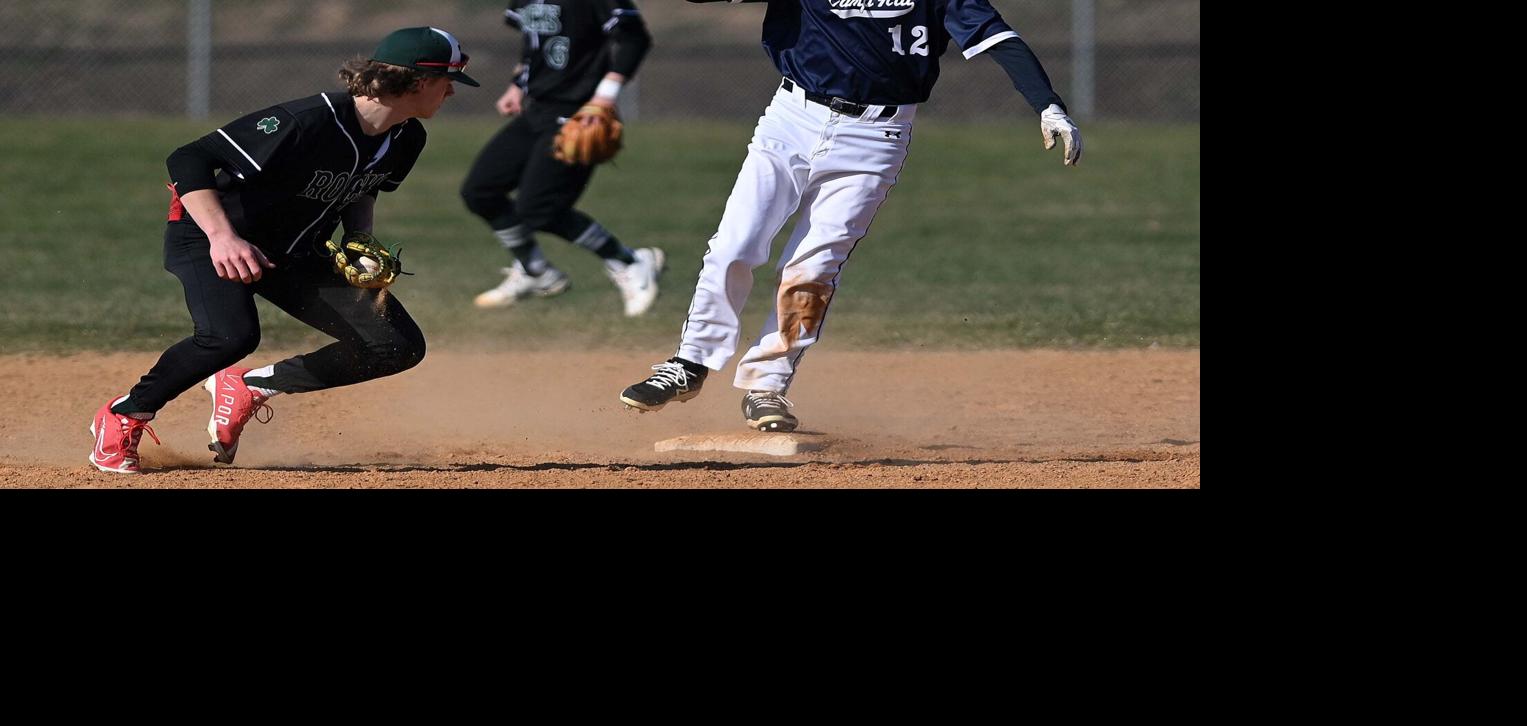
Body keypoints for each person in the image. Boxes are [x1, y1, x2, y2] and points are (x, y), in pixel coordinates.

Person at [620, 0, 1081, 433]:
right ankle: (690, 363)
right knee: (734, 245)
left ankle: (767, 385)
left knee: (813, 268)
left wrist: (1048, 103)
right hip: (790, 119)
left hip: (877, 136)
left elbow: (997, 37)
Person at [86, 26, 478, 474]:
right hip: (211, 236)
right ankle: (124, 414)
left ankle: (251, 388)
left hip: (295, 250)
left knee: (395, 344)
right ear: (415, 80)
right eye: (447, 80)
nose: (451, 91)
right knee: (229, 337)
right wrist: (223, 237)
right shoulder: (309, 120)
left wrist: (359, 239)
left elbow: (364, 189)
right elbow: (189, 158)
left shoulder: (407, 137)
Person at [462, 0, 664, 314]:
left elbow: (635, 37)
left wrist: (605, 96)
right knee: (480, 190)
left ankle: (629, 261)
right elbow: (534, 43)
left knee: (539, 208)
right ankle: (535, 270)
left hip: (579, 112)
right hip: (537, 109)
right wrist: (517, 85)